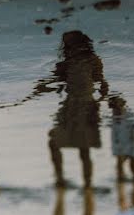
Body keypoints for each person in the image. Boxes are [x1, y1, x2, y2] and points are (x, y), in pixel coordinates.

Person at [36, 31, 109, 188]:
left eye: (68, 43)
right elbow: (102, 83)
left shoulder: (71, 63)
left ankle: (63, 179)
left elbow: (57, 83)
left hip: (77, 107)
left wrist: (42, 87)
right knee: (82, 147)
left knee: (63, 144)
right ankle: (81, 182)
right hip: (82, 106)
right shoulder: (83, 61)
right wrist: (43, 87)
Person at [109, 95, 134, 182]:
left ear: (123, 104)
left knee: (132, 164)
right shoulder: (112, 116)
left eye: (118, 105)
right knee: (120, 163)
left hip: (132, 142)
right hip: (119, 142)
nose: (116, 108)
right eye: (114, 105)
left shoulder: (130, 114)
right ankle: (121, 180)